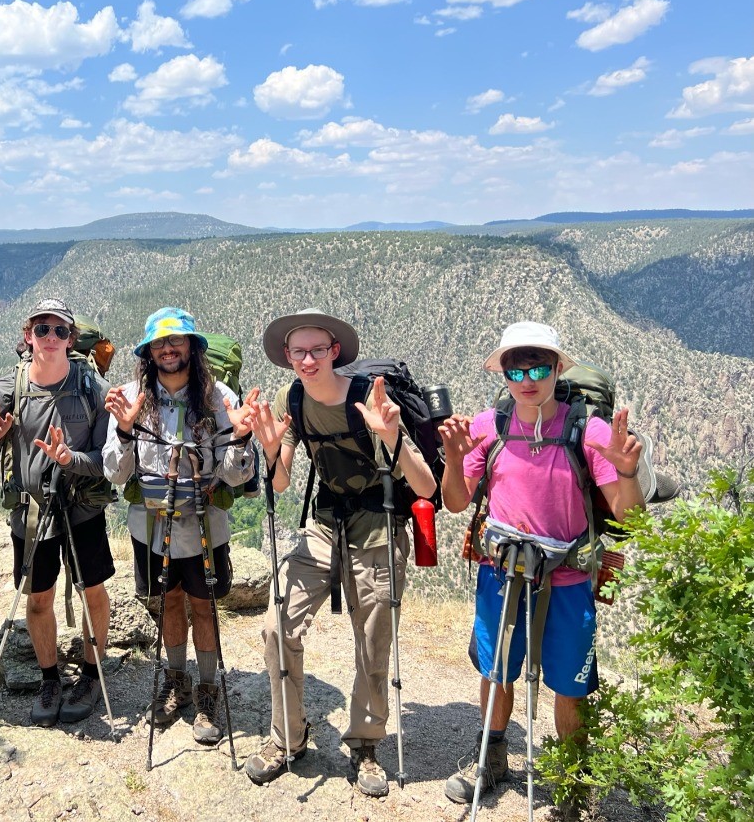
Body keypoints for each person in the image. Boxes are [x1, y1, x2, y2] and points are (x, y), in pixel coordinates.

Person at [438, 321, 643, 806]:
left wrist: (628, 471)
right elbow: (454, 501)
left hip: (568, 579)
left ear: (556, 369)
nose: (527, 378)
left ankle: (572, 782)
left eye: (538, 367)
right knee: (496, 671)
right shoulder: (489, 427)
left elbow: (628, 516)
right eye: (516, 368)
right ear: (503, 374)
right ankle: (491, 759)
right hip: (501, 575)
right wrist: (452, 457)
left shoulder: (588, 431)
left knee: (570, 685)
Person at [243, 309, 437, 796]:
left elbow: (426, 485)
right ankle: (288, 737)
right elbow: (282, 481)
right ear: (287, 357)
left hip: (377, 525)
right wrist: (269, 450)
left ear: (335, 352)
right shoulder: (294, 399)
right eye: (298, 352)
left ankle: (366, 744)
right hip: (326, 522)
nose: (307, 360)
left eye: (317, 350)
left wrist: (391, 436)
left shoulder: (369, 400)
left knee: (372, 640)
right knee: (276, 625)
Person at [103, 307, 255, 746]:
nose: (168, 349)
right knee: (167, 601)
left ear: (192, 347)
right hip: (151, 524)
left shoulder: (217, 396)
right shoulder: (131, 396)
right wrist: (126, 429)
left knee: (204, 605)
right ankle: (177, 679)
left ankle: (206, 690)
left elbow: (234, 475)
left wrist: (241, 437)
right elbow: (115, 472)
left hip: (204, 522)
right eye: (159, 343)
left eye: (176, 341)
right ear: (149, 352)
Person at [0, 298, 114, 728]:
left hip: (82, 506)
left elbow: (108, 460)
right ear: (27, 335)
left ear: (71, 339)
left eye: (59, 331)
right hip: (32, 513)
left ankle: (91, 674)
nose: (50, 338)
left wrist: (71, 460)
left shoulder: (92, 388)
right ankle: (50, 678)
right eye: (42, 329)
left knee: (92, 591)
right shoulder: (7, 390)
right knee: (38, 598)